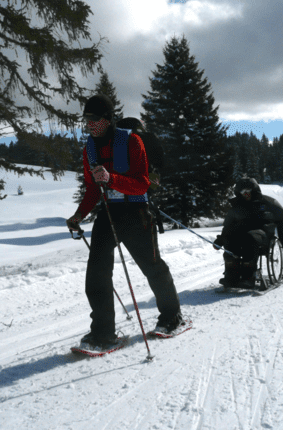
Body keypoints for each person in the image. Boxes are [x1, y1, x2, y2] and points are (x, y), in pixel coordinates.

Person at [66, 94, 183, 348]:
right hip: (108, 213)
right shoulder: (90, 148)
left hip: (136, 212)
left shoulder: (132, 142)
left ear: (107, 120)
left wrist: (112, 179)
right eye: (86, 119)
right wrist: (79, 215)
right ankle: (103, 333)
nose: (88, 124)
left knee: (152, 267)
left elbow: (142, 183)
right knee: (96, 274)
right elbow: (92, 188)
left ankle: (172, 317)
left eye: (93, 119)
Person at [213, 177, 283, 289]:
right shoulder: (236, 207)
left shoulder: (269, 202)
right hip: (242, 234)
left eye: (248, 191)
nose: (245, 194)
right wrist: (221, 240)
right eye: (242, 192)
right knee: (230, 241)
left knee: (250, 238)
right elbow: (228, 226)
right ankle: (231, 276)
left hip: (262, 234)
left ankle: (248, 277)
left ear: (254, 189)